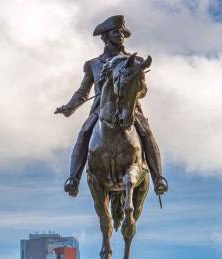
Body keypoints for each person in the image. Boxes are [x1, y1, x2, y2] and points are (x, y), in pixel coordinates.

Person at [55, 15, 168, 197]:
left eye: (123, 33)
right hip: (101, 109)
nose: (121, 35)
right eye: (117, 32)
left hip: (129, 108)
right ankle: (73, 179)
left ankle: (158, 179)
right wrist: (70, 107)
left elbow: (143, 90)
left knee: (147, 133)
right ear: (106, 36)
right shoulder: (93, 64)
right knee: (84, 133)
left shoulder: (135, 62)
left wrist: (134, 91)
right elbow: (83, 92)